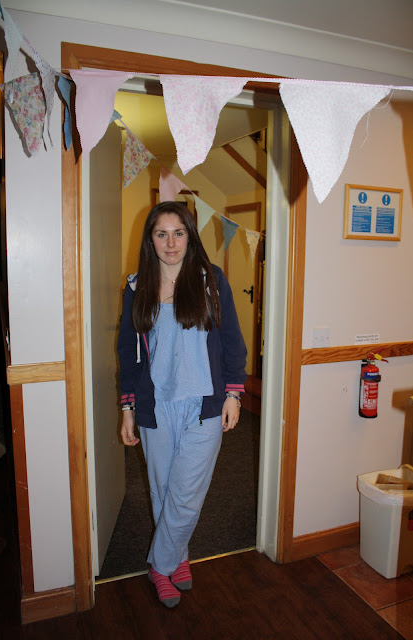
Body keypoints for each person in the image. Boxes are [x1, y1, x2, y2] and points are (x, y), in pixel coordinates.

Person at [117, 201, 247, 608]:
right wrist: (127, 408)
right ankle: (179, 557)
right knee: (164, 491)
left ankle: (159, 566)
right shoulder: (136, 287)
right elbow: (127, 352)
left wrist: (234, 394)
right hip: (156, 406)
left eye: (179, 233)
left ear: (190, 237)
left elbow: (232, 340)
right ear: (150, 240)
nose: (170, 243)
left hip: (204, 405)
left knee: (187, 492)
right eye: (162, 234)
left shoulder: (212, 280)